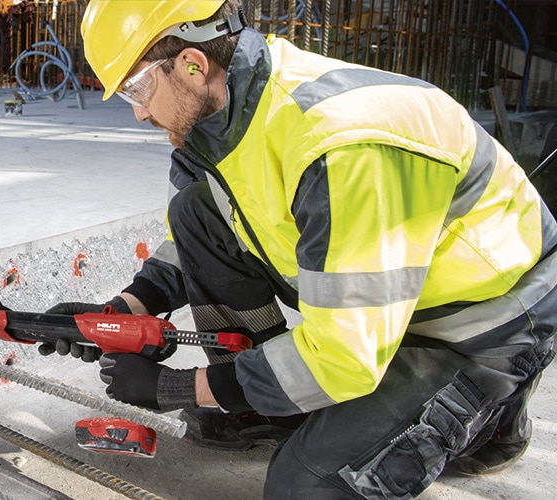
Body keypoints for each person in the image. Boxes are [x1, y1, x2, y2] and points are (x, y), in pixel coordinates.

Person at [41, 1, 557, 498]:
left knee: (308, 486)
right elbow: (203, 234)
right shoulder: (217, 121)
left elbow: (344, 355)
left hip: (482, 322)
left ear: (192, 64)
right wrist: (121, 311)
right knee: (195, 211)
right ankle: (264, 405)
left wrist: (179, 387)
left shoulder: (340, 146)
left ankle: (490, 417)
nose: (137, 114)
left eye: (137, 88)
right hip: (388, 313)